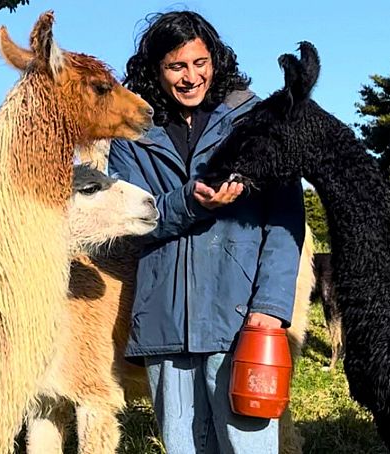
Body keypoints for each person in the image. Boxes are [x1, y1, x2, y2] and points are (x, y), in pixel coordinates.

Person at [108, 11, 304, 454]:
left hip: (241, 324)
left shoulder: (255, 121)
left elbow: (286, 221)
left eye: (200, 63)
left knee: (248, 447)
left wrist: (270, 308)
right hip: (166, 326)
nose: (190, 77)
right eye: (176, 66)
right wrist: (189, 203)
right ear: (155, 70)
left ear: (215, 61)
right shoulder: (132, 135)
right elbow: (128, 222)